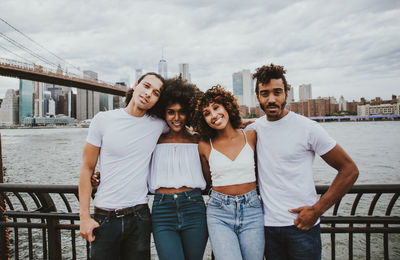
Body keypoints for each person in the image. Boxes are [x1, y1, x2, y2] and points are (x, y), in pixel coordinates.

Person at [247, 64, 359, 259]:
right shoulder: (253, 129)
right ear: (258, 96)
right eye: (265, 93)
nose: (271, 99)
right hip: (267, 228)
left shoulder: (308, 128)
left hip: (302, 226)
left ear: (287, 94)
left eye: (277, 92)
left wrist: (317, 210)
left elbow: (349, 170)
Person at [79, 72, 167, 260]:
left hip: (139, 218)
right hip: (104, 218)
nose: (149, 93)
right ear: (135, 85)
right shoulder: (103, 120)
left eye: (156, 93)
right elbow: (87, 168)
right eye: (146, 86)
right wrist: (84, 218)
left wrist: (244, 125)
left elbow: (187, 129)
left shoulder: (159, 125)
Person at [194, 85, 265, 260]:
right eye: (207, 113)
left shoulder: (251, 136)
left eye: (216, 107)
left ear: (227, 106)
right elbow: (208, 180)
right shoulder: (204, 145)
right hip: (219, 212)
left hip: (252, 209)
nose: (214, 115)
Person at [148, 77, 208, 260]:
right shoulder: (153, 140)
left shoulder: (199, 140)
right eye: (171, 112)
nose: (176, 118)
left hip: (194, 209)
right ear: (163, 113)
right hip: (162, 210)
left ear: (189, 113)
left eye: (181, 112)